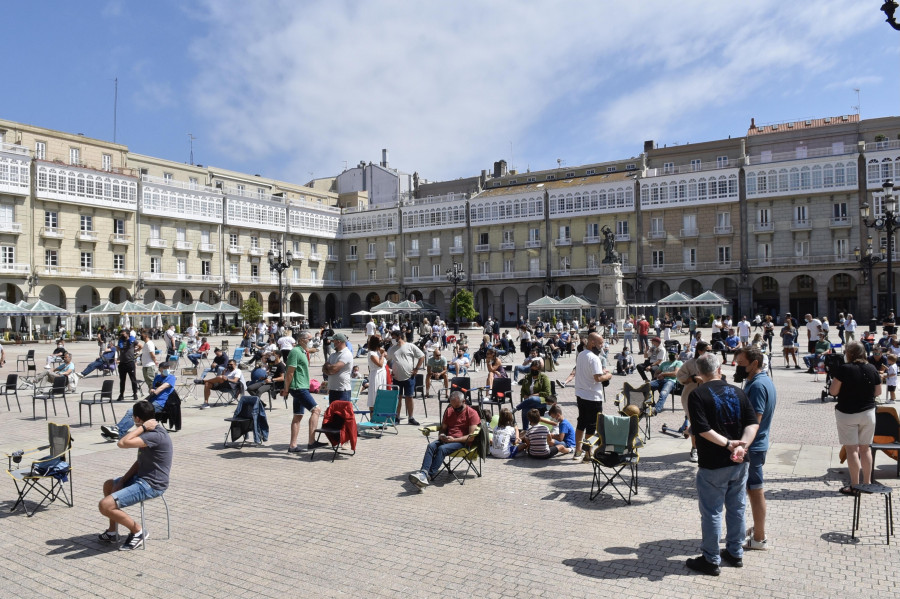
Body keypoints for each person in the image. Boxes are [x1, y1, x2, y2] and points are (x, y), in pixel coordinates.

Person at [685, 353, 759, 576]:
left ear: (699, 373)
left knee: (712, 512)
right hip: (739, 461)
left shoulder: (698, 394)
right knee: (737, 508)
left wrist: (729, 444)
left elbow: (702, 429)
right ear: (720, 368)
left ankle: (711, 558)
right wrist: (741, 446)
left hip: (714, 464)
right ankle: (735, 552)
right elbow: (752, 423)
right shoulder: (738, 391)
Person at [97, 399, 173, 551]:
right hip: (141, 479)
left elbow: (122, 443)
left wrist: (142, 427)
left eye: (134, 419)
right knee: (109, 485)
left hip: (152, 485)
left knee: (105, 505)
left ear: (137, 419)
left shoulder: (154, 435)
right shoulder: (149, 433)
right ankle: (113, 532)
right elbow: (139, 462)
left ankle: (138, 531)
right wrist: (122, 481)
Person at [734, 346, 776, 552]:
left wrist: (742, 446)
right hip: (756, 445)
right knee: (753, 489)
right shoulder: (761, 381)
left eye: (741, 364)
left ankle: (759, 537)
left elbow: (754, 421)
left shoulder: (758, 386)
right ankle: (757, 531)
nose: (738, 367)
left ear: (754, 364)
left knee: (755, 489)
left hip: (753, 447)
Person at [829, 341, 881, 495]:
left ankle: (854, 486)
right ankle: (867, 484)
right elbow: (877, 392)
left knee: (852, 449)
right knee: (865, 449)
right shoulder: (872, 368)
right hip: (868, 413)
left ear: (849, 353)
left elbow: (833, 391)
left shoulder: (844, 369)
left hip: (847, 413)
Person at [408, 390, 480, 489]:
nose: (455, 410)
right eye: (453, 407)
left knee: (442, 449)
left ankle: (428, 476)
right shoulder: (450, 410)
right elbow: (443, 428)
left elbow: (471, 437)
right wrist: (441, 435)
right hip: (447, 439)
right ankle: (423, 473)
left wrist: (454, 440)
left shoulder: (472, 413)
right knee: (431, 446)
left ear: (464, 402)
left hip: (462, 442)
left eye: (457, 408)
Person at [101, 360, 177, 440]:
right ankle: (116, 430)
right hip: (151, 401)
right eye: (164, 368)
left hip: (160, 403)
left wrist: (147, 399)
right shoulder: (157, 377)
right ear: (160, 369)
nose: (166, 369)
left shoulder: (171, 378)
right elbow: (151, 388)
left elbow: (161, 388)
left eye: (167, 368)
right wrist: (151, 389)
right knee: (131, 411)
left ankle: (117, 433)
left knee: (137, 413)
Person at [282, 331, 323, 452]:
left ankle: (292, 446)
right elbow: (289, 372)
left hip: (302, 386)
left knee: (298, 416)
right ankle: (311, 442)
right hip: (298, 387)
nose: (310, 341)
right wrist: (286, 389)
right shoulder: (295, 352)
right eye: (309, 339)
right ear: (301, 340)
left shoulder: (302, 351)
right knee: (316, 410)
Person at [573, 333, 612, 459]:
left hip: (580, 393)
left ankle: (577, 450)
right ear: (592, 343)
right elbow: (598, 378)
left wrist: (601, 372)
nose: (602, 346)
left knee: (581, 422)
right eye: (600, 343)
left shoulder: (581, 355)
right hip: (592, 396)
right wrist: (608, 375)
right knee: (591, 426)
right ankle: (587, 453)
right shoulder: (594, 358)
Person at [676, 340, 711, 463]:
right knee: (696, 423)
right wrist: (692, 378)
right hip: (691, 397)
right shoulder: (690, 363)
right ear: (700, 351)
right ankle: (694, 449)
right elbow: (680, 376)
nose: (710, 352)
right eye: (707, 350)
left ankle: (688, 431)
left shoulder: (712, 362)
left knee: (705, 422)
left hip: (708, 397)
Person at [386, 329, 424, 425]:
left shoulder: (409, 346)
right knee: (397, 398)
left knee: (409, 397)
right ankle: (397, 417)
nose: (392, 340)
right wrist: (390, 370)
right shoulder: (391, 349)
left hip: (409, 376)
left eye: (394, 338)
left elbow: (421, 356)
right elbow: (387, 361)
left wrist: (416, 369)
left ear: (399, 337)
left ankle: (411, 417)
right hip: (396, 377)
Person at [512, 358, 552, 430]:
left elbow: (547, 393)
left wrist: (533, 395)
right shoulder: (527, 377)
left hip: (541, 400)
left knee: (532, 399)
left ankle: (516, 408)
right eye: (532, 369)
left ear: (539, 370)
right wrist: (524, 395)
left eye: (536, 370)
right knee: (525, 408)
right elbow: (523, 390)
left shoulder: (544, 378)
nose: (533, 371)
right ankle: (525, 430)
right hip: (528, 400)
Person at [322, 333, 353, 403]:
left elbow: (334, 369)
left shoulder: (346, 353)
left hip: (342, 390)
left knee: (342, 413)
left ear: (339, 342)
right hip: (332, 389)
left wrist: (330, 368)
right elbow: (324, 369)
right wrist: (330, 369)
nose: (331, 343)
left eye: (333, 341)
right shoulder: (333, 355)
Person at [366, 335, 388, 412]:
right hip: (376, 375)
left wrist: (382, 353)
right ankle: (373, 417)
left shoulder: (378, 351)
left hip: (382, 375)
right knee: (374, 396)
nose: (381, 342)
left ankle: (380, 416)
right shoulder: (372, 353)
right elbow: (380, 364)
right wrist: (382, 355)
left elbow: (386, 359)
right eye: (380, 341)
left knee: (381, 395)